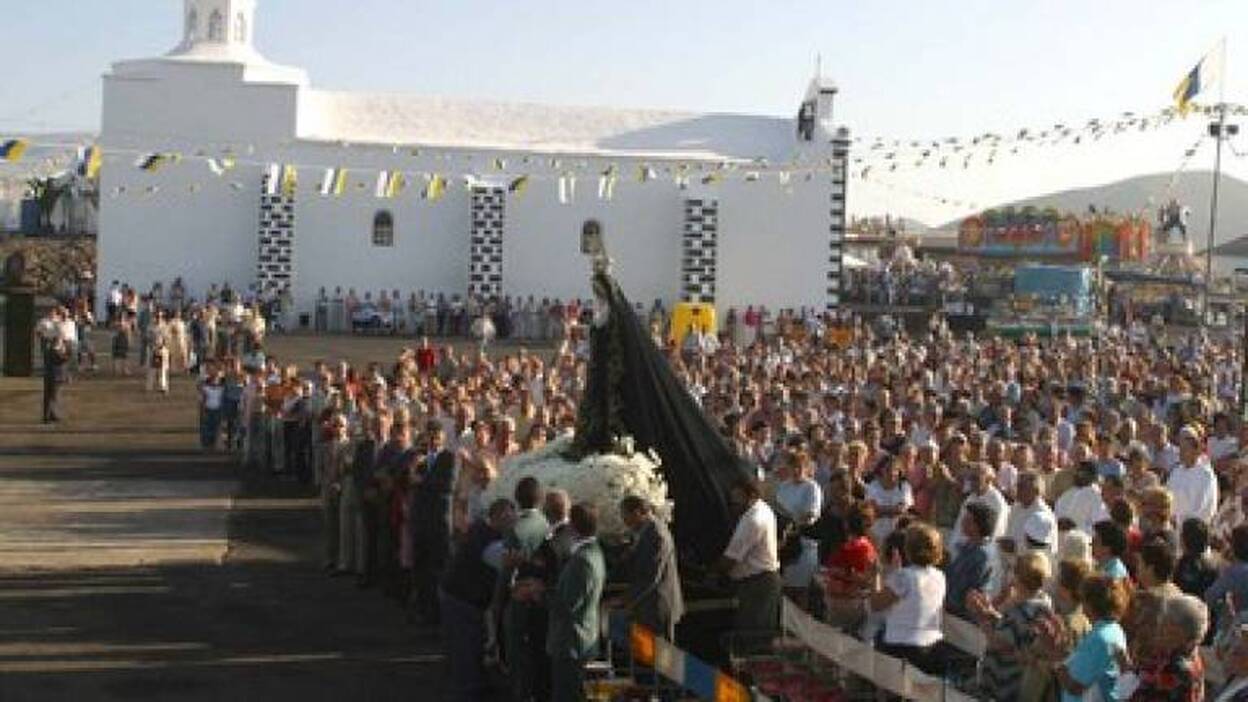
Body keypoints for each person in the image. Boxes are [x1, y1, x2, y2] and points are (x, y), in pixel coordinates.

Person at [440, 498, 515, 702]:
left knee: (468, 648)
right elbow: (507, 562)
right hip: (462, 600)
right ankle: (468, 691)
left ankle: (474, 686)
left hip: (457, 595)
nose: (512, 524)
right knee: (467, 649)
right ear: (498, 517)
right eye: (509, 519)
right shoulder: (489, 544)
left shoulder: (480, 530)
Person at [540, 503, 606, 702]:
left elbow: (567, 604)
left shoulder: (582, 561)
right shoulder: (592, 553)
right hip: (577, 639)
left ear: (573, 527)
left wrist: (538, 594)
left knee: (566, 694)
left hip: (571, 642)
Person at [967, 551, 1054, 701]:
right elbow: (1013, 629)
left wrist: (981, 617)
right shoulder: (1044, 604)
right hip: (1021, 678)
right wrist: (991, 613)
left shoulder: (1018, 610)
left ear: (1018, 577)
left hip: (1003, 678)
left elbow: (998, 643)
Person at [868, 522, 948, 676]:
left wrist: (876, 575)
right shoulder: (940, 576)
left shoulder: (905, 577)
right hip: (932, 647)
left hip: (901, 647)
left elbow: (875, 604)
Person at [501, 476, 550, 702]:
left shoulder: (515, 530)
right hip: (543, 597)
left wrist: (500, 599)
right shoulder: (546, 523)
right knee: (539, 651)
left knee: (518, 655)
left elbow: (507, 570)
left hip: (520, 597)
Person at [718, 478, 781, 636]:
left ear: (751, 496)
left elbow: (730, 560)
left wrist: (710, 572)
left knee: (753, 637)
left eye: (737, 498)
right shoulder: (761, 509)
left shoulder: (754, 520)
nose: (733, 502)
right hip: (759, 582)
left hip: (758, 585)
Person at [1053, 573, 1129, 702]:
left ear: (1089, 603)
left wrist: (1057, 663)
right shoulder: (1115, 629)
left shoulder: (1099, 638)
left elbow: (1074, 687)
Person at [617, 496, 684, 641]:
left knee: (659, 659)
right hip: (649, 606)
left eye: (626, 516)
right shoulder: (646, 531)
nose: (624, 521)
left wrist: (624, 601)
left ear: (639, 512)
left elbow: (650, 577)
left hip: (657, 607)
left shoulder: (656, 535)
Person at [1129, 594, 1207, 702]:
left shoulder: (1176, 668)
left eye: (1164, 622)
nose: (1158, 626)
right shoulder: (1187, 651)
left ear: (1180, 632)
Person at [945, 501, 995, 617]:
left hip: (961, 617)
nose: (962, 523)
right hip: (951, 612)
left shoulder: (983, 556)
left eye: (968, 520)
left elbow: (966, 590)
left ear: (979, 526)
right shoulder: (966, 545)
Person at [42, 336, 70, 423]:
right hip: (54, 377)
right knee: (52, 397)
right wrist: (66, 352)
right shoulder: (54, 352)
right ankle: (47, 416)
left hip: (51, 376)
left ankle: (51, 414)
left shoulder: (49, 351)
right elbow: (63, 359)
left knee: (51, 397)